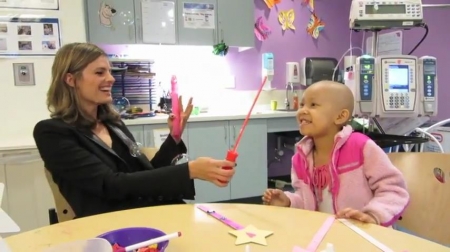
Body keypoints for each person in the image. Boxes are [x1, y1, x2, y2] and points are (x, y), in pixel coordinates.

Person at [33, 42, 236, 218]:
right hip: (111, 230)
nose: (111, 79)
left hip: (150, 215)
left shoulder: (114, 125)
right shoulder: (51, 133)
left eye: (110, 71)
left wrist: (174, 138)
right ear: (71, 80)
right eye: (99, 72)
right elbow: (110, 185)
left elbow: (145, 176)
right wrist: (189, 170)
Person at [262, 81, 409, 227]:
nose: (302, 110)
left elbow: (393, 190)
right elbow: (306, 201)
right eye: (302, 105)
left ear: (340, 116)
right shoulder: (300, 158)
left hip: (368, 235)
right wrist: (288, 201)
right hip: (328, 236)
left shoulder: (360, 147)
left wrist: (372, 216)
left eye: (313, 105)